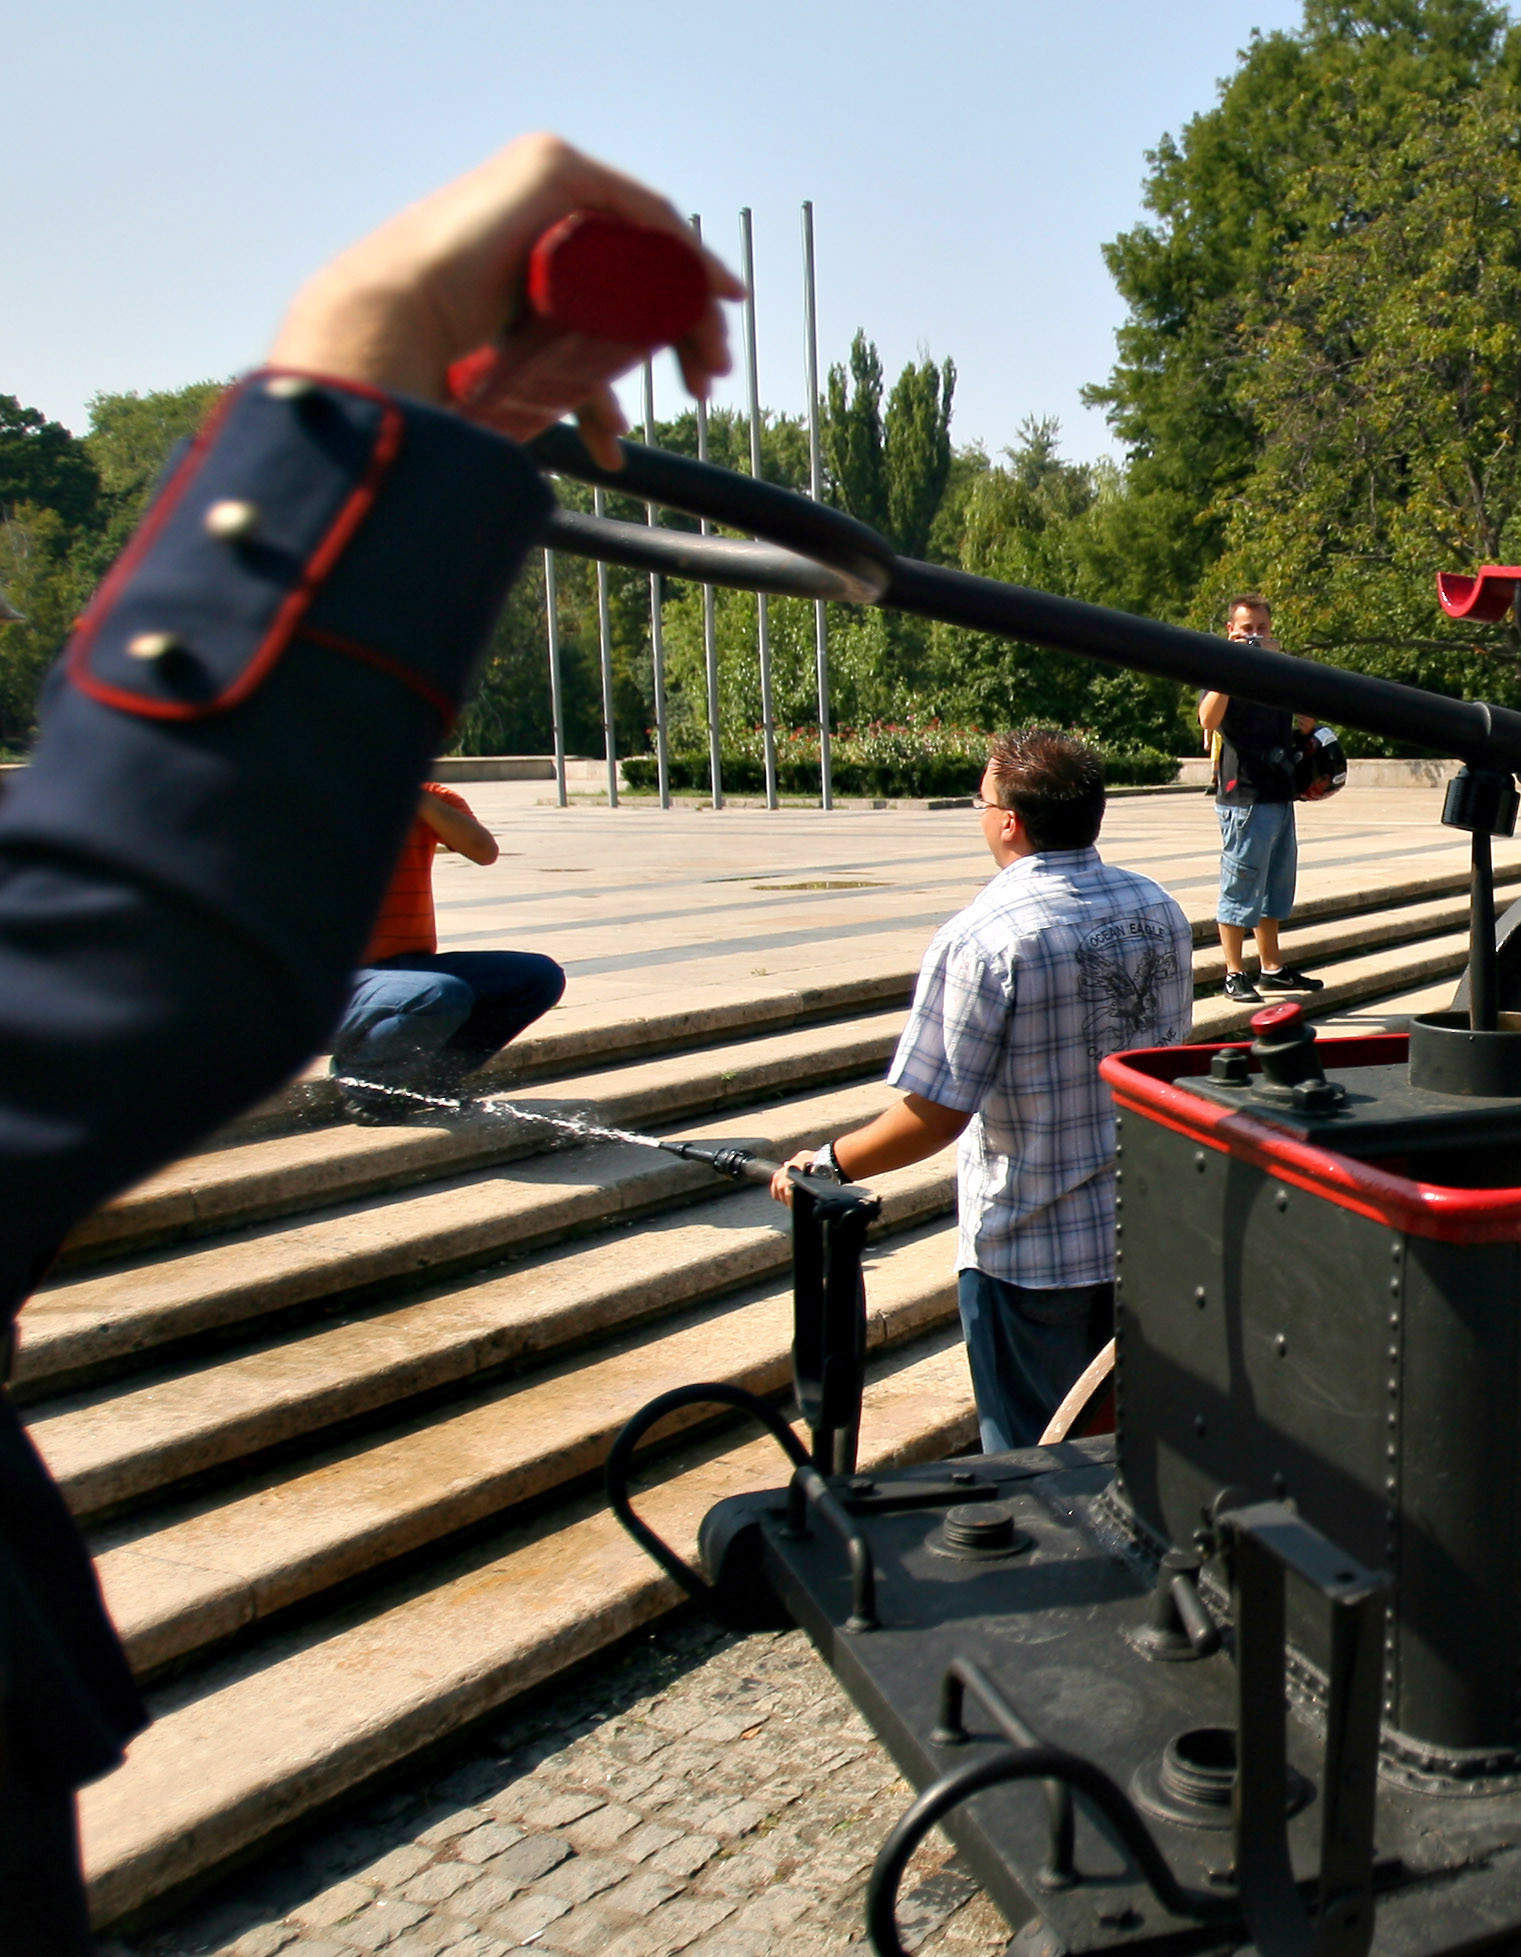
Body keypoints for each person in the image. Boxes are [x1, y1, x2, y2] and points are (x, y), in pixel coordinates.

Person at [0, 137, 736, 1950]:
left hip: (356, 948)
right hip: (323, 986)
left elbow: (427, 863)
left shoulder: (393, 811)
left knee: (498, 972)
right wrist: (346, 401)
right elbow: (142, 952)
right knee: (395, 1006)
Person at [774, 729, 1191, 1453]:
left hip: (1033, 1252)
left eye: (983, 797)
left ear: (1008, 820)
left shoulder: (987, 936)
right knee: (1131, 1453)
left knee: (1036, 1468)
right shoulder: (1156, 908)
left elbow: (935, 1113)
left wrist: (832, 1163)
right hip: (1143, 1233)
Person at [329, 781, 565, 1118]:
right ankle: (366, 1081)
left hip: (406, 969)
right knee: (438, 994)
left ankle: (431, 1077)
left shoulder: (429, 797)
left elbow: (484, 851)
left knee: (537, 977)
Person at [1198, 594, 1322, 1005]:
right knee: (1240, 886)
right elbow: (1207, 719)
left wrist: (1307, 724)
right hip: (1243, 796)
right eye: (1246, 629)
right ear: (1230, 631)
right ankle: (1234, 972)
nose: (1254, 636)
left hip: (1278, 792)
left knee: (1275, 887)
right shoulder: (1219, 667)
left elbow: (1298, 723)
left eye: (1261, 629)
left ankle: (1272, 968)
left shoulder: (1278, 672)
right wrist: (1230, 666)